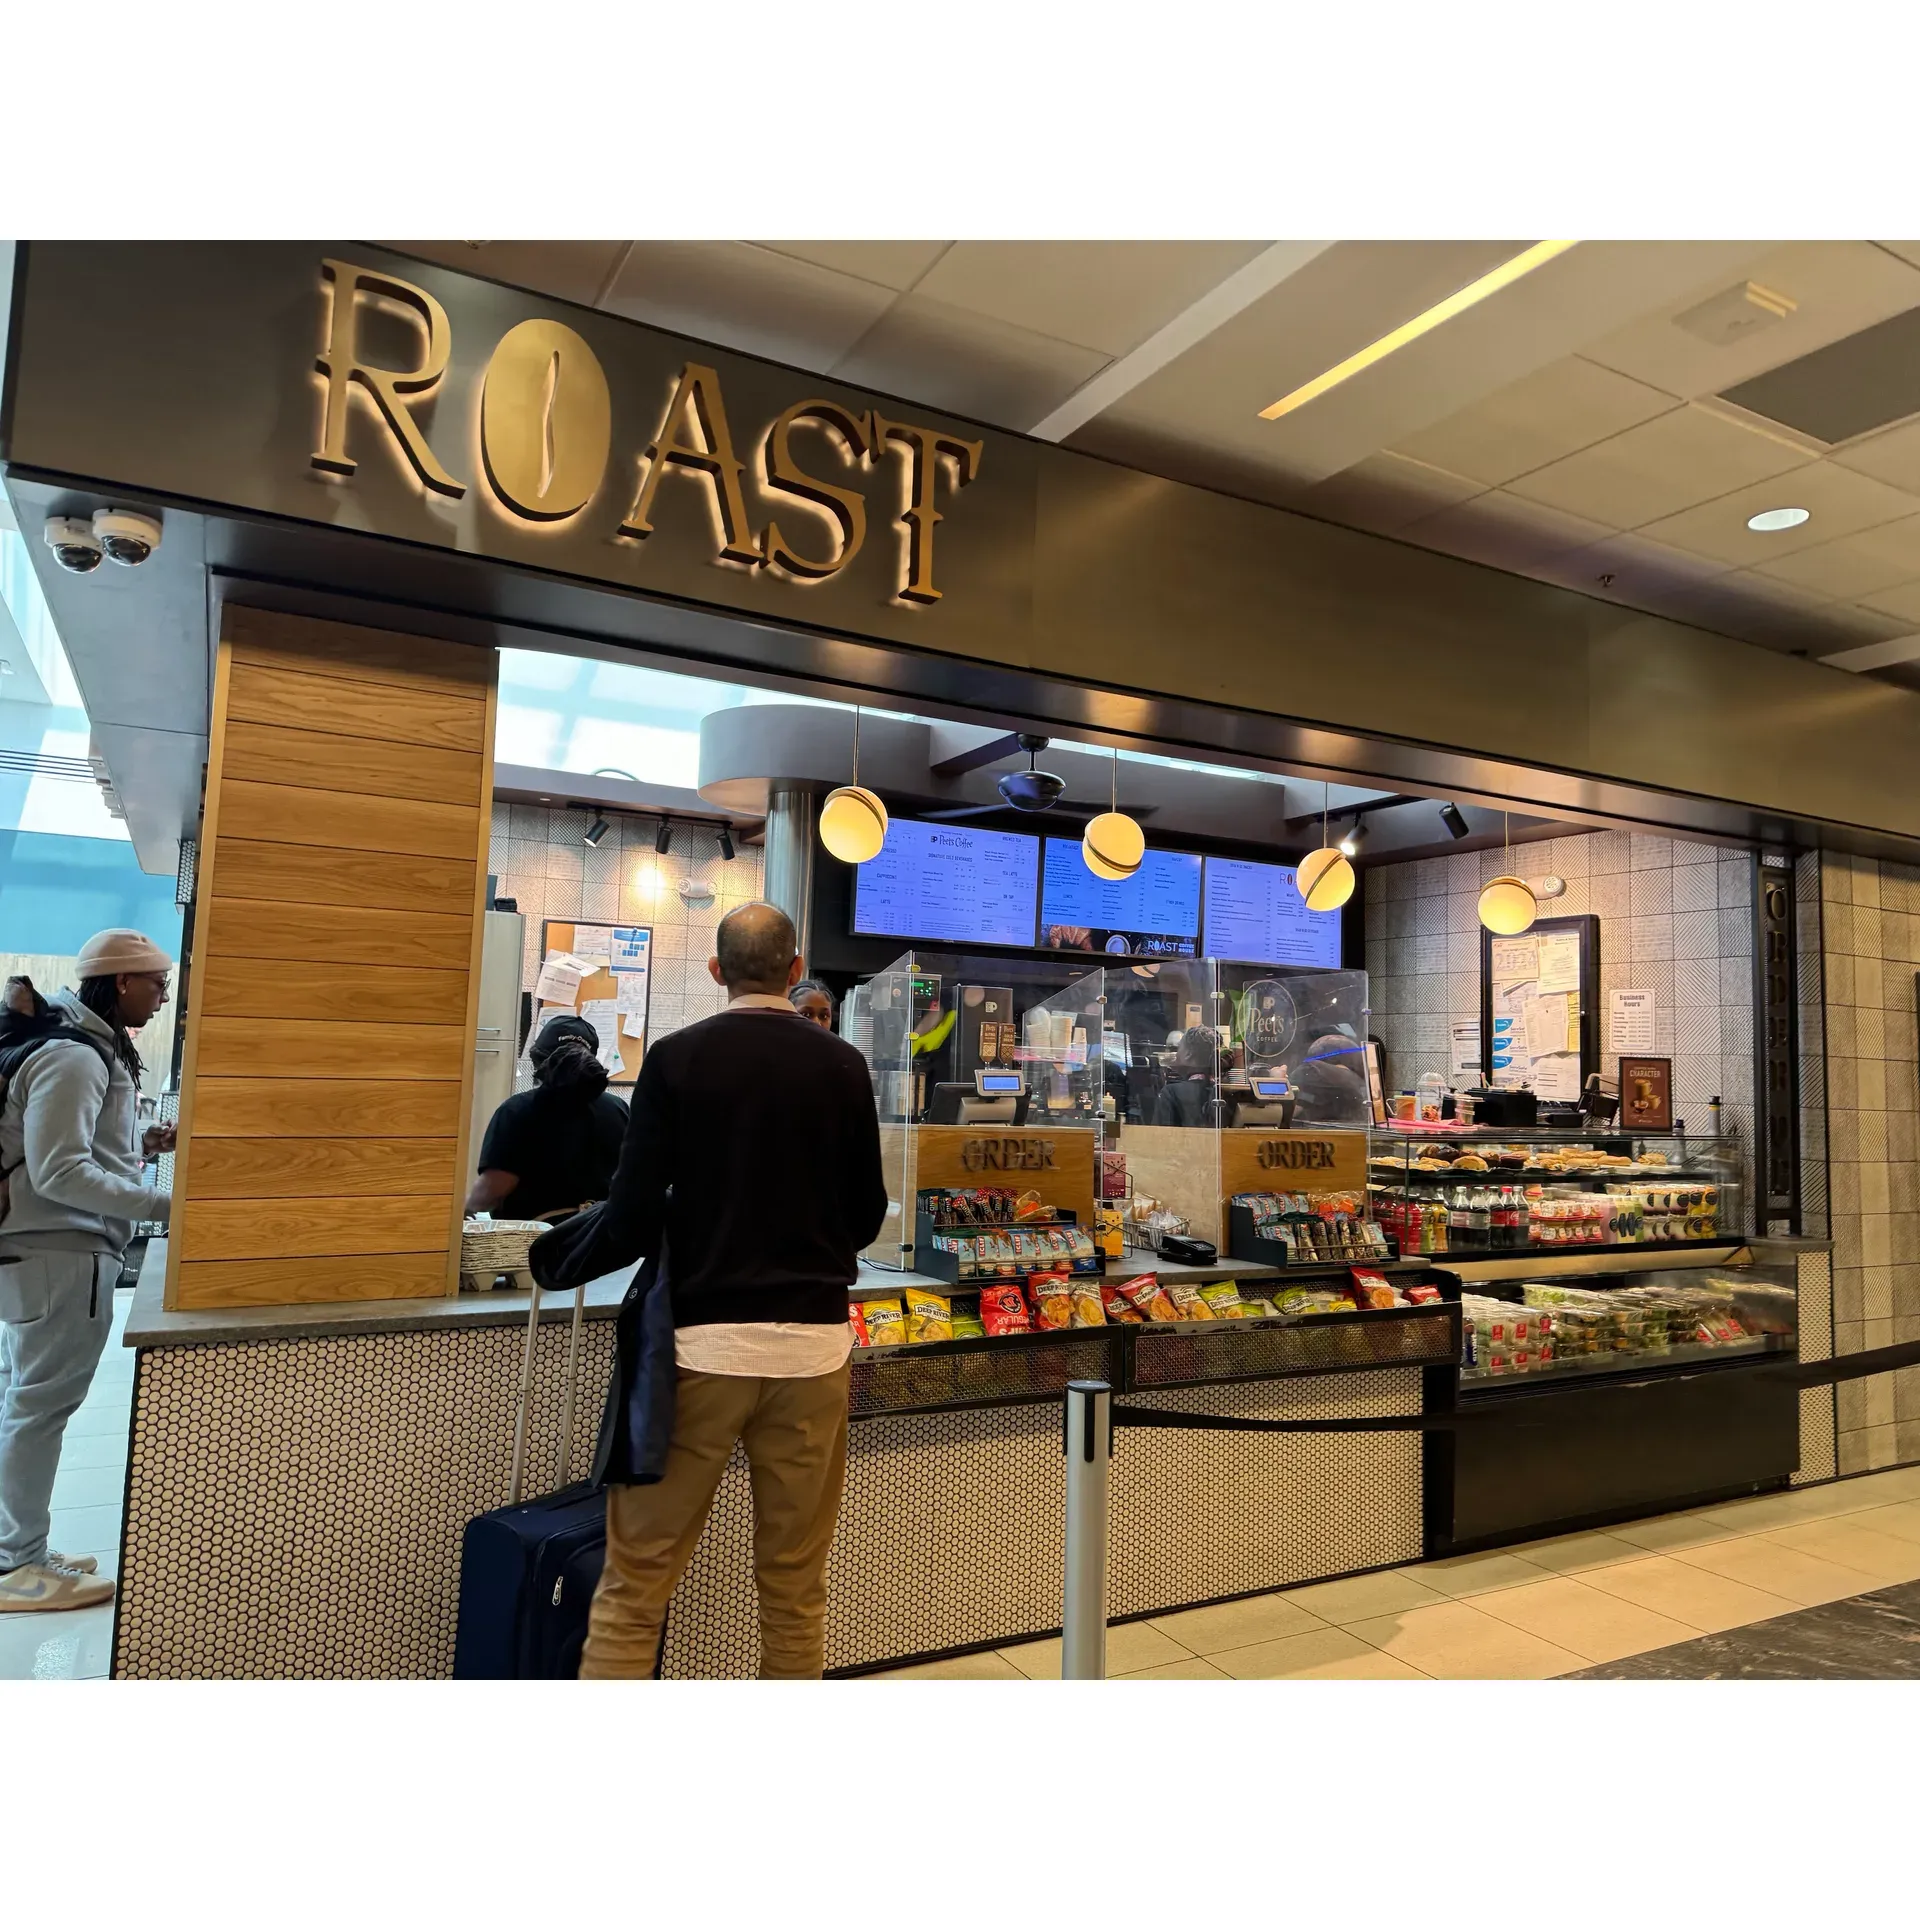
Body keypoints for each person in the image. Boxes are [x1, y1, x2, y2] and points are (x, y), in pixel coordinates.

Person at [578, 901, 887, 1680]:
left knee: (636, 1585)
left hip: (698, 1352)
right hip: (814, 1354)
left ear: (716, 971)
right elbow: (865, 1215)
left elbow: (629, 1214)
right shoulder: (843, 1065)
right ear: (794, 970)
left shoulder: (675, 1059)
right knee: (794, 1588)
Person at [0, 931, 174, 1614]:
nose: (163, 998)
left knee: (24, 1404)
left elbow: (67, 1151)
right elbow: (61, 1172)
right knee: (38, 1410)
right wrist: (171, 1206)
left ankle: (18, 1549)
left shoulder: (73, 1043)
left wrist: (139, 1144)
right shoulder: (74, 1054)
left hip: (39, 1251)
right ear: (122, 981)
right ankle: (18, 1564)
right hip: (61, 1252)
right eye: (157, 984)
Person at [466, 1013, 628, 1221]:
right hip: (601, 1234)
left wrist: (462, 1209)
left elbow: (491, 1192)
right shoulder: (619, 1109)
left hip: (537, 1237)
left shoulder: (517, 1110)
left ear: (538, 1059)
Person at [1151, 1025, 1221, 1127]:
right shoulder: (1221, 1092)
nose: (1176, 1054)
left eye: (1178, 1048)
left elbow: (1160, 1134)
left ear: (1188, 1054)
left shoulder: (1170, 1093)